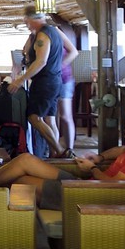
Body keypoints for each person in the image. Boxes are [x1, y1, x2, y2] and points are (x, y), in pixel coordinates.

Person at [0, 107, 125, 189]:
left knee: (22, 181)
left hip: (86, 195)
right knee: (25, 160)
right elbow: (120, 150)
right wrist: (100, 158)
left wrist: (92, 168)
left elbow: (113, 186)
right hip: (84, 184)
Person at [9, 6, 66, 157]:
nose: (27, 25)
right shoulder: (52, 32)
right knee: (50, 120)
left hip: (44, 82)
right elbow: (26, 54)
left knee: (34, 117)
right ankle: (54, 156)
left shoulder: (43, 35)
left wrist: (20, 80)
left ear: (35, 19)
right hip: (54, 80)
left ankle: (59, 151)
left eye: (27, 22)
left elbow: (41, 62)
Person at [50, 15, 81, 153]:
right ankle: (54, 149)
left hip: (64, 78)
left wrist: (60, 66)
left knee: (65, 115)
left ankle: (69, 150)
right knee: (50, 117)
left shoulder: (55, 31)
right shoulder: (35, 35)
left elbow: (73, 52)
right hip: (48, 80)